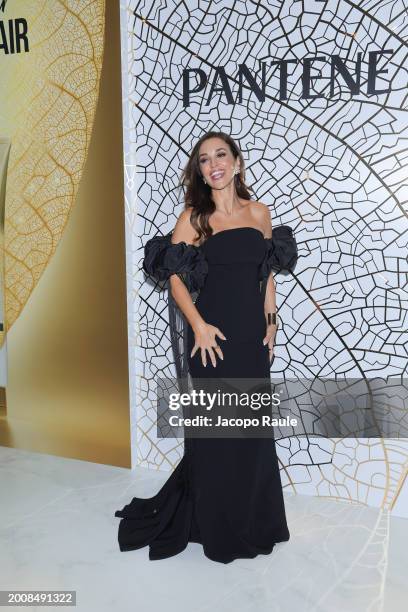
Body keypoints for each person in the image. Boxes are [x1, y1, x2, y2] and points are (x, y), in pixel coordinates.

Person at [115, 131, 298, 564]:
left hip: (252, 337)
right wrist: (197, 326)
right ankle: (221, 528)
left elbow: (267, 273)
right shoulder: (195, 218)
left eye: (220, 155)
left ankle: (256, 520)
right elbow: (174, 279)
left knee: (251, 435)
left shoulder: (260, 213)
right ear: (199, 170)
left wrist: (271, 322)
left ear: (236, 161)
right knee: (218, 436)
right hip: (212, 339)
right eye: (203, 159)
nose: (213, 164)